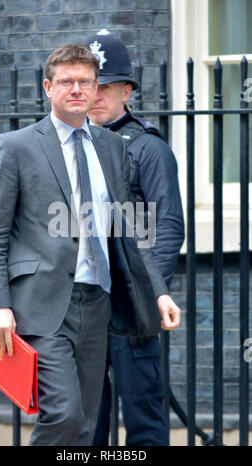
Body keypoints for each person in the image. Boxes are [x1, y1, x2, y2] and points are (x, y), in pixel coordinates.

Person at [0, 43, 181, 446]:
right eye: (66, 82)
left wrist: (158, 291)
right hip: (42, 304)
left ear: (94, 88)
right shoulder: (16, 146)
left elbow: (128, 228)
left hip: (97, 302)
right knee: (65, 414)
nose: (77, 89)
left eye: (85, 82)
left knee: (87, 425)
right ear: (48, 88)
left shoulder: (112, 147)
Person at [85, 31, 185, 446]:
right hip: (85, 302)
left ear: (127, 90)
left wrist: (150, 293)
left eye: (106, 86)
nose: (96, 95)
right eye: (92, 84)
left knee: (143, 416)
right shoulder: (72, 145)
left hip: (131, 302)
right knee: (87, 420)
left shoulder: (147, 147)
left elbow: (168, 228)